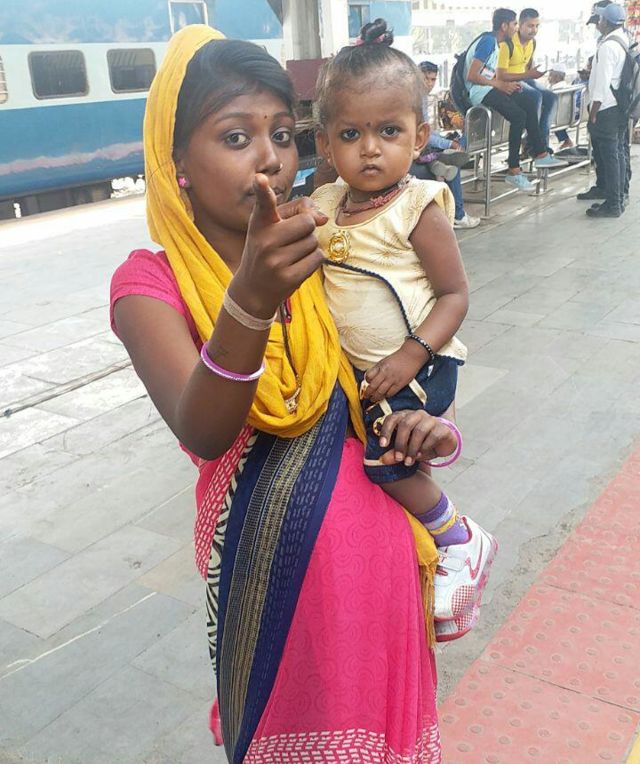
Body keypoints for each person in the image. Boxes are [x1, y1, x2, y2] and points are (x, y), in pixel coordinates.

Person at [110, 24, 457, 762]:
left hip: (382, 568)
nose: (270, 158)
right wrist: (251, 300)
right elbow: (204, 428)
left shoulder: (319, 242)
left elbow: (375, 377)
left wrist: (427, 428)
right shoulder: (149, 283)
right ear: (176, 161)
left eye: (282, 134)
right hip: (273, 584)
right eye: (236, 137)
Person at [313, 18, 498, 642]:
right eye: (351, 134)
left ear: (419, 136)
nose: (370, 149)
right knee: (376, 457)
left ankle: (459, 539)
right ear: (325, 144)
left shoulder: (417, 206)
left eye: (388, 131)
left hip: (418, 365)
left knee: (387, 465)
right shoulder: (328, 204)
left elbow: (455, 294)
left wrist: (412, 355)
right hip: (367, 375)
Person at [464, 8, 567, 191]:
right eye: (514, 24)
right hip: (481, 91)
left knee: (529, 101)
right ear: (504, 26)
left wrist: (505, 85)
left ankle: (541, 153)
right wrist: (499, 84)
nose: (516, 28)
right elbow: (472, 75)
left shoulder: (496, 43)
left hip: (490, 86)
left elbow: (489, 73)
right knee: (519, 116)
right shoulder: (488, 42)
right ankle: (514, 169)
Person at [414, 60, 481, 229]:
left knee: (453, 155)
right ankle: (458, 215)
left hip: (422, 142)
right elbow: (422, 134)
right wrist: (448, 143)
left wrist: (445, 140)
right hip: (416, 145)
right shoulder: (414, 99)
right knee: (453, 161)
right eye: (426, 78)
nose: (429, 84)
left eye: (433, 79)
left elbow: (426, 131)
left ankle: (439, 163)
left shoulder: (421, 97)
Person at [584, 3, 629, 217]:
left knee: (610, 157)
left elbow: (601, 85)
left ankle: (613, 205)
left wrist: (593, 112)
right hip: (619, 107)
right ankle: (617, 200)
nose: (598, 22)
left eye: (600, 19)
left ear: (606, 22)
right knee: (617, 155)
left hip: (606, 108)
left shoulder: (608, 46)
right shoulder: (623, 39)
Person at [497, 8, 558, 153]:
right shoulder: (508, 43)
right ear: (520, 25)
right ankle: (535, 146)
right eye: (530, 26)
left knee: (551, 97)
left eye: (537, 26)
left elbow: (527, 67)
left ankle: (540, 142)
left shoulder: (532, 43)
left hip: (525, 79)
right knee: (535, 96)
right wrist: (528, 74)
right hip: (509, 82)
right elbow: (501, 76)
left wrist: (532, 73)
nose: (534, 30)